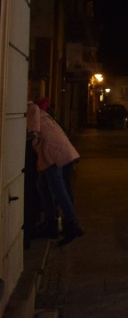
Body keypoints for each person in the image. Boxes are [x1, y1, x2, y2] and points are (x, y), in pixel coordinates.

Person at [26, 99, 84, 246]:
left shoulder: (31, 108)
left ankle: (71, 225)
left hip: (52, 154)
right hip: (57, 152)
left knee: (57, 189)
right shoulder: (40, 111)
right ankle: (51, 223)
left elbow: (33, 133)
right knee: (44, 187)